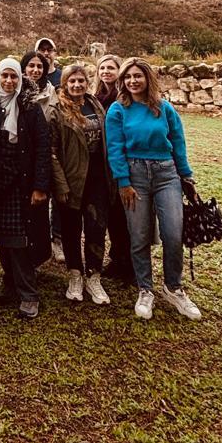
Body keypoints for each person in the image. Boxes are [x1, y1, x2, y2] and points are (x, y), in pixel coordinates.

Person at [105, 58, 202, 321]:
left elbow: (177, 142)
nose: (132, 81)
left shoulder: (164, 108)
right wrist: (123, 182)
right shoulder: (117, 110)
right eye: (128, 77)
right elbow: (115, 149)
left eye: (138, 76)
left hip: (166, 173)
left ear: (148, 78)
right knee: (139, 236)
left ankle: (173, 287)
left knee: (173, 233)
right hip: (135, 175)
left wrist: (187, 176)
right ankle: (145, 289)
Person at [0, 59, 50, 320]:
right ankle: (10, 285)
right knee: (2, 237)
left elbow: (42, 148)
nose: (9, 81)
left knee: (20, 240)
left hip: (22, 182)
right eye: (4, 76)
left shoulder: (30, 108)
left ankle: (29, 294)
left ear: (21, 79)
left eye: (14, 77)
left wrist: (40, 186)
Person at [50, 65, 114, 306]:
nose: (76, 85)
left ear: (87, 82)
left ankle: (94, 276)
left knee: (97, 228)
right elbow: (52, 151)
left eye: (80, 81)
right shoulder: (57, 110)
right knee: (71, 229)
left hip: (97, 178)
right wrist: (60, 184)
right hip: (71, 179)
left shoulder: (96, 105)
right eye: (72, 81)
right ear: (64, 83)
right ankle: (75, 274)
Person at [92, 53, 133, 283]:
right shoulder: (97, 98)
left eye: (111, 68)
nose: (106, 72)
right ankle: (117, 258)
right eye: (102, 68)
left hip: (122, 162)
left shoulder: (125, 98)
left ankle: (127, 262)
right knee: (113, 216)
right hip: (102, 165)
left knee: (124, 216)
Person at [21, 49, 62, 261]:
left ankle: (44, 249)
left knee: (42, 205)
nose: (35, 70)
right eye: (31, 66)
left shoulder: (52, 92)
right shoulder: (15, 91)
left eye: (39, 66)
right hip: (22, 157)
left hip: (46, 153)